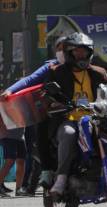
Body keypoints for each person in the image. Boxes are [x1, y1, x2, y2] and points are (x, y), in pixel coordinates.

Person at [41, 32, 107, 196]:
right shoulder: (56, 71)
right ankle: (62, 177)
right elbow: (46, 94)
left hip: (97, 118)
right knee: (68, 133)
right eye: (78, 52)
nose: (81, 55)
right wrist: (54, 103)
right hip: (70, 118)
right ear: (69, 53)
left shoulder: (98, 72)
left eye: (85, 52)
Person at [0, 36, 67, 194]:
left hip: (82, 112)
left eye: (67, 48)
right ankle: (48, 171)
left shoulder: (88, 69)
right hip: (56, 113)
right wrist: (10, 90)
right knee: (47, 136)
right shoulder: (51, 67)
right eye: (60, 49)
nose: (63, 52)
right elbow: (30, 80)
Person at [0, 127, 27, 197]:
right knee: (10, 161)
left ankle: (18, 189)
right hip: (7, 135)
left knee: (21, 161)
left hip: (20, 136)